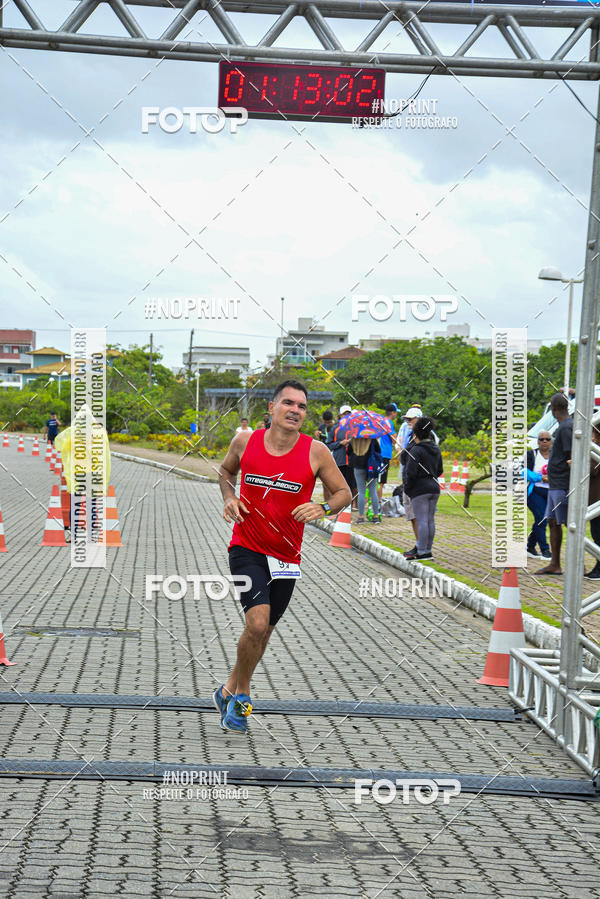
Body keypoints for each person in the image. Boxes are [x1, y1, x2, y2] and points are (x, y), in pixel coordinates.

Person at [215, 379, 351, 734]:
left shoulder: (316, 451)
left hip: (287, 556)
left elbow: (343, 493)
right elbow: (226, 472)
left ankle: (228, 687)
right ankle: (242, 696)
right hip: (246, 547)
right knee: (256, 624)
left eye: (302, 406)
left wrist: (322, 506)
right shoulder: (245, 441)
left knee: (266, 631)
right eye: (288, 403)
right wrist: (229, 497)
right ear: (272, 409)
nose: (295, 410)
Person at [54, 406, 111, 543]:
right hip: (93, 473)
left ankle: (73, 536)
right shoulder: (98, 433)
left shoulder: (73, 433)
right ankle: (91, 536)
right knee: (92, 504)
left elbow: (58, 443)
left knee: (76, 504)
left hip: (78, 473)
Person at [538, 393, 573, 575]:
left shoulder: (566, 428)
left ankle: (577, 565)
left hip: (562, 484)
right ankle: (555, 563)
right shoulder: (562, 427)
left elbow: (571, 457)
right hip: (555, 484)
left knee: (567, 522)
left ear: (553, 409)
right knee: (553, 521)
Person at [401, 417, 443, 560]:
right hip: (434, 487)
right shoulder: (436, 449)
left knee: (422, 520)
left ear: (416, 433)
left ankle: (422, 550)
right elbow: (439, 470)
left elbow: (410, 472)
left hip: (419, 489)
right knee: (430, 520)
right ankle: (427, 549)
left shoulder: (416, 450)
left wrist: (408, 487)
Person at [525, 431, 552, 560]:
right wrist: (541, 478)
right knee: (542, 518)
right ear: (538, 441)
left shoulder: (556, 456)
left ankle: (530, 547)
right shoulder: (532, 455)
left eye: (547, 439)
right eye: (542, 439)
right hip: (534, 491)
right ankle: (545, 550)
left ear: (551, 441)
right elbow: (523, 471)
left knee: (541, 520)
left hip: (551, 492)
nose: (545, 441)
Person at [328, 405, 358, 511]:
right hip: (339, 460)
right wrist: (341, 443)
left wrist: (351, 442)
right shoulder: (335, 429)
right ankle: (340, 505)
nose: (347, 416)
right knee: (340, 485)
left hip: (352, 460)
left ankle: (355, 504)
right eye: (345, 414)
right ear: (340, 415)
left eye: (349, 414)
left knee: (353, 484)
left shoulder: (356, 427)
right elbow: (329, 444)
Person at [349, 436, 381, 524]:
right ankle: (376, 516)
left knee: (361, 492)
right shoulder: (372, 439)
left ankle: (361, 517)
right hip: (371, 466)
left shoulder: (354, 439)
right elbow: (378, 451)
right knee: (373, 491)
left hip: (358, 466)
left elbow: (349, 452)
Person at [585, 425, 600, 579]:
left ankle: (599, 567)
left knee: (597, 534)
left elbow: (593, 469)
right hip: (595, 499)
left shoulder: (596, 449)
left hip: (597, 500)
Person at [377, 404, 398, 503]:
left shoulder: (380, 421)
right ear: (393, 413)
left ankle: (375, 500)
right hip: (384, 453)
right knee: (380, 481)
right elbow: (394, 440)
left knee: (376, 479)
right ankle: (378, 501)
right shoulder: (389, 423)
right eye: (396, 412)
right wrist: (396, 436)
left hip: (378, 453)